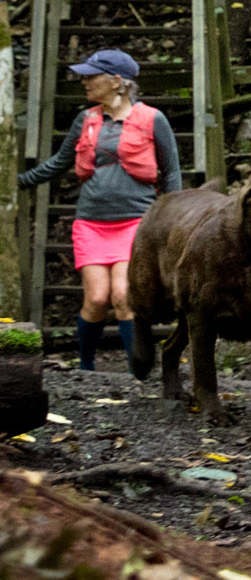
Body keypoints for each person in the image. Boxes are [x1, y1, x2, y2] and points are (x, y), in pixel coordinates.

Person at [17, 50, 182, 373]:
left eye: (91, 76)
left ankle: (136, 370)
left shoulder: (153, 119)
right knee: (95, 299)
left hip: (136, 223)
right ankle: (86, 369)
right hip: (91, 222)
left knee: (122, 296)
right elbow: (58, 162)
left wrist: (172, 217)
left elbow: (172, 171)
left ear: (117, 81)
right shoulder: (86, 119)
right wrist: (17, 182)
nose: (84, 82)